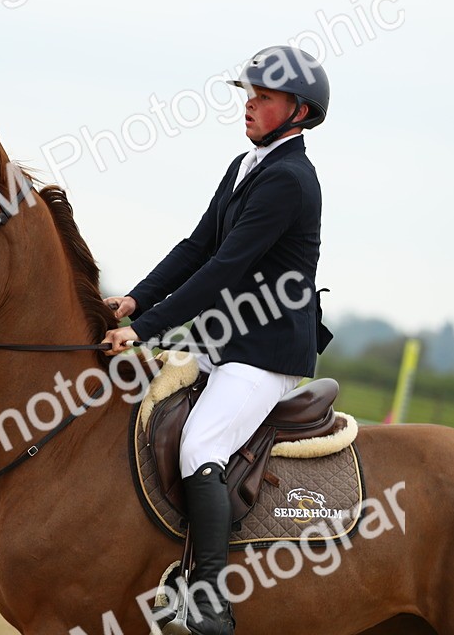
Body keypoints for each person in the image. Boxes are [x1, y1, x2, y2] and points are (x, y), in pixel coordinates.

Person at [103, 45, 330, 635]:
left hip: (266, 350)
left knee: (200, 444)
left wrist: (143, 330)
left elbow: (225, 269)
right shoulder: (245, 166)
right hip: (225, 340)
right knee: (144, 415)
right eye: (248, 94)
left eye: (264, 97)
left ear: (298, 111)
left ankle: (207, 598)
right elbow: (196, 247)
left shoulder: (291, 181)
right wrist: (136, 299)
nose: (249, 104)